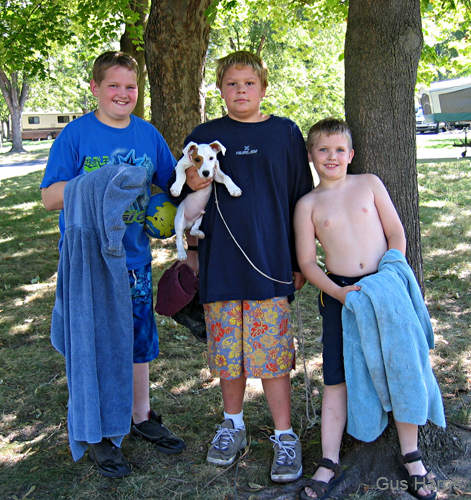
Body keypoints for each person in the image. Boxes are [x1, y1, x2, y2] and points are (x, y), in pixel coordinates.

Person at [40, 51, 186, 478]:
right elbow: (50, 198)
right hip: (88, 265)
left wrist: (180, 199)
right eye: (114, 86)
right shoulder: (76, 135)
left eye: (131, 87)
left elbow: (171, 182)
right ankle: (100, 430)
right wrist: (102, 183)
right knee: (96, 345)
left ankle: (140, 416)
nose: (123, 94)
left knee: (138, 342)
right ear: (95, 89)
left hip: (135, 258)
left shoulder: (148, 134)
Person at [293, 118, 445, 500]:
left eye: (339, 149)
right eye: (323, 150)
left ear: (351, 154)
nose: (332, 156)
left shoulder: (368, 184)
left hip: (385, 286)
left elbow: (396, 231)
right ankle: (328, 460)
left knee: (402, 366)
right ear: (311, 155)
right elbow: (309, 264)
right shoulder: (307, 204)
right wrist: (341, 295)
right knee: (337, 375)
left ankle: (411, 454)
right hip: (339, 295)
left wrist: (394, 272)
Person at [180, 50, 313, 483]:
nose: (240, 91)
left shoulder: (285, 133)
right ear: (219, 89)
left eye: (249, 83)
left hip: (271, 263)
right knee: (228, 355)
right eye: (232, 83)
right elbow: (188, 199)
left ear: (263, 87)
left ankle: (285, 435)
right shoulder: (204, 133)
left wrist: (298, 260)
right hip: (220, 262)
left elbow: (300, 200)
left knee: (273, 355)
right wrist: (194, 255)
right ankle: (232, 426)